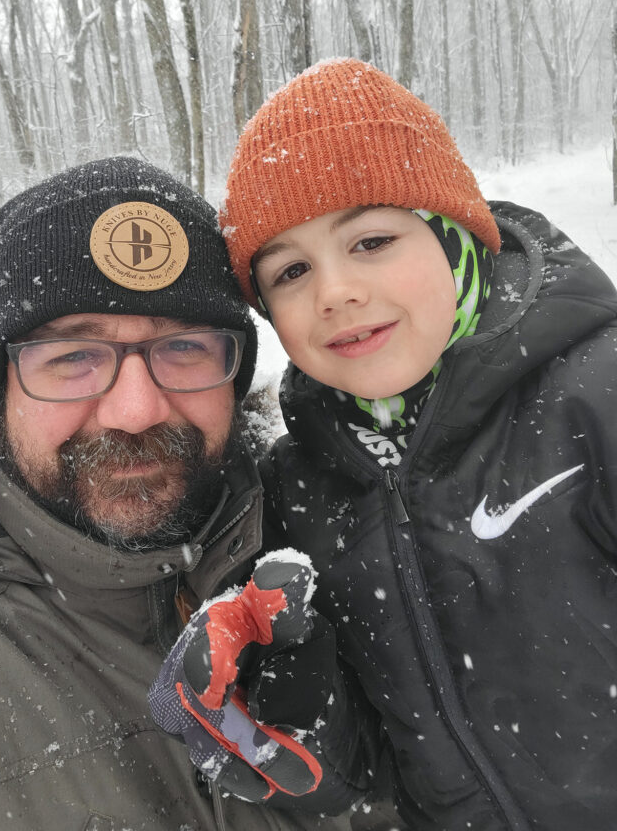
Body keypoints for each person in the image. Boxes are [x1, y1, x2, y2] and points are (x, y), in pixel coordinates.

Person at [0, 156, 363, 830]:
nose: (136, 410)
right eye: (72, 357)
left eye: (183, 349)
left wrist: (360, 782)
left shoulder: (313, 534)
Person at [207, 58, 617, 831]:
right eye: (290, 271)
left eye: (370, 241)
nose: (334, 292)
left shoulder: (594, 398)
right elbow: (383, 772)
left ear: (455, 236)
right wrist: (301, 717)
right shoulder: (302, 486)